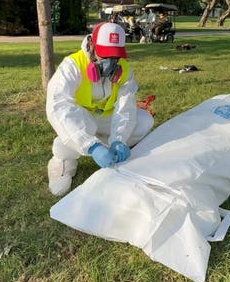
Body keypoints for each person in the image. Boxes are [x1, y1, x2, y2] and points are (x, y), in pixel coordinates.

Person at [45, 22, 155, 196]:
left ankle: (111, 147)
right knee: (77, 124)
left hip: (107, 118)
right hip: (83, 118)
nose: (110, 64)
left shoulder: (124, 71)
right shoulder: (72, 66)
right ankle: (63, 160)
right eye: (105, 55)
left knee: (144, 121)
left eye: (115, 57)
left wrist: (119, 139)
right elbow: (58, 106)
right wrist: (91, 146)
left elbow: (125, 108)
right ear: (91, 45)